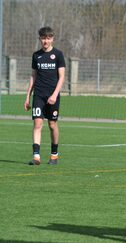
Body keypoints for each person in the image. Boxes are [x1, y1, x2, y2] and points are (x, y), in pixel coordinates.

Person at [24, 26, 66, 165]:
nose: (45, 41)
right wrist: (28, 96)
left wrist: (54, 94)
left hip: (52, 96)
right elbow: (33, 76)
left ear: (52, 39)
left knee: (52, 124)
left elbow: (61, 77)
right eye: (43, 38)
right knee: (37, 123)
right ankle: (36, 156)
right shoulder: (36, 55)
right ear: (40, 39)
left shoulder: (58, 55)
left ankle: (54, 154)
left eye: (48, 38)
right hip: (39, 95)